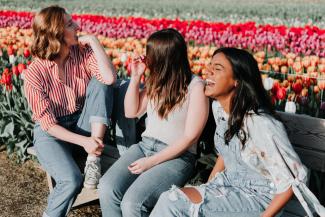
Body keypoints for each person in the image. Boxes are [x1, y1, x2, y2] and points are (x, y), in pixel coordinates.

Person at [150, 47, 309, 217]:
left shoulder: (259, 124)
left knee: (173, 202)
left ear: (237, 81)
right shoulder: (219, 109)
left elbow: (293, 180)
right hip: (228, 186)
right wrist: (210, 185)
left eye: (217, 68)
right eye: (210, 65)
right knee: (171, 199)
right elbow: (227, 152)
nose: (208, 70)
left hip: (259, 199)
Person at [98, 28, 209, 217]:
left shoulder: (195, 86)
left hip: (177, 156)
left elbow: (191, 137)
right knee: (107, 188)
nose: (146, 58)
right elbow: (131, 111)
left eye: (150, 54)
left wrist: (151, 162)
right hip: (144, 147)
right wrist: (135, 77)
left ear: (164, 58)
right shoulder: (156, 81)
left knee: (133, 203)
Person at [23, 5, 116, 217]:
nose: (77, 26)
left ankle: (92, 161)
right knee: (71, 180)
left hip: (81, 124)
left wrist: (94, 41)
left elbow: (109, 79)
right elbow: (47, 124)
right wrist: (85, 142)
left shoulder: (82, 53)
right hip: (52, 134)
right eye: (70, 24)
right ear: (56, 33)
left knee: (100, 83)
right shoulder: (34, 74)